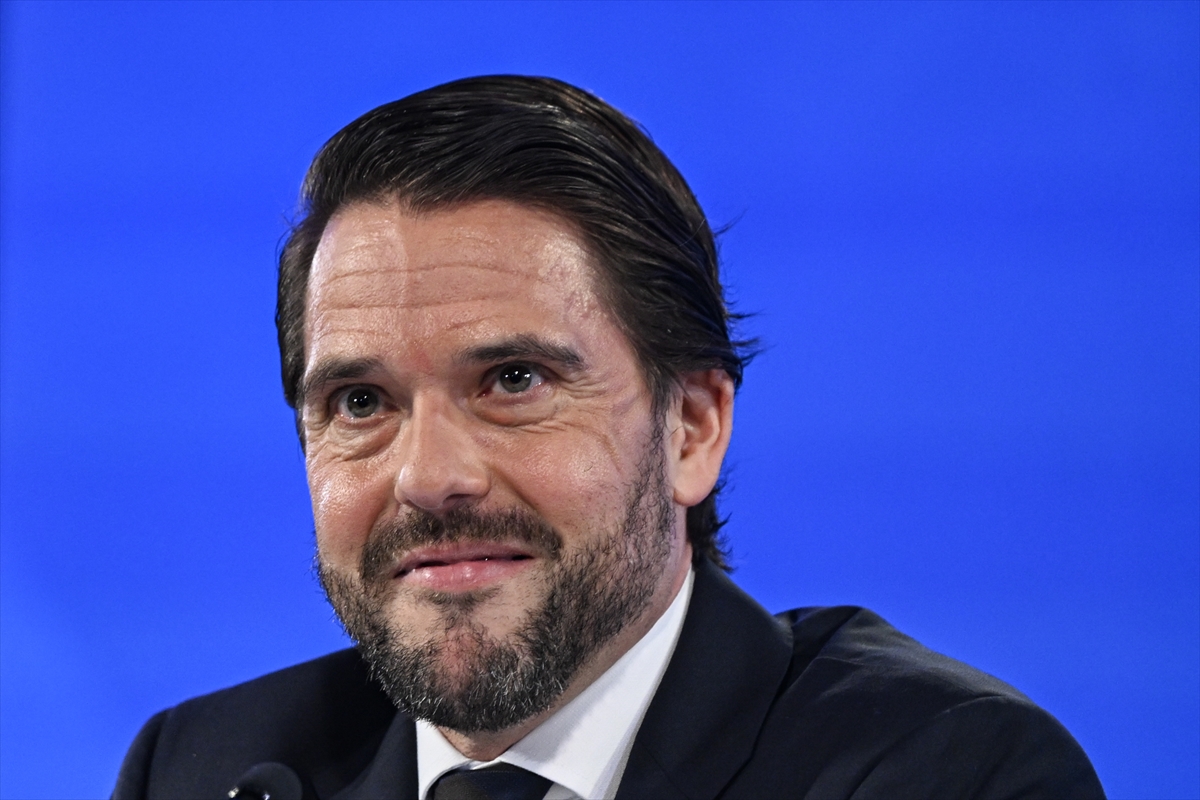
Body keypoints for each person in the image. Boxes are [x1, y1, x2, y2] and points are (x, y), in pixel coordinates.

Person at [113, 75, 1105, 800]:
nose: (428, 476)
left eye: (513, 380)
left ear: (692, 428)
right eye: (362, 402)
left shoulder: (946, 772)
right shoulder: (201, 770)